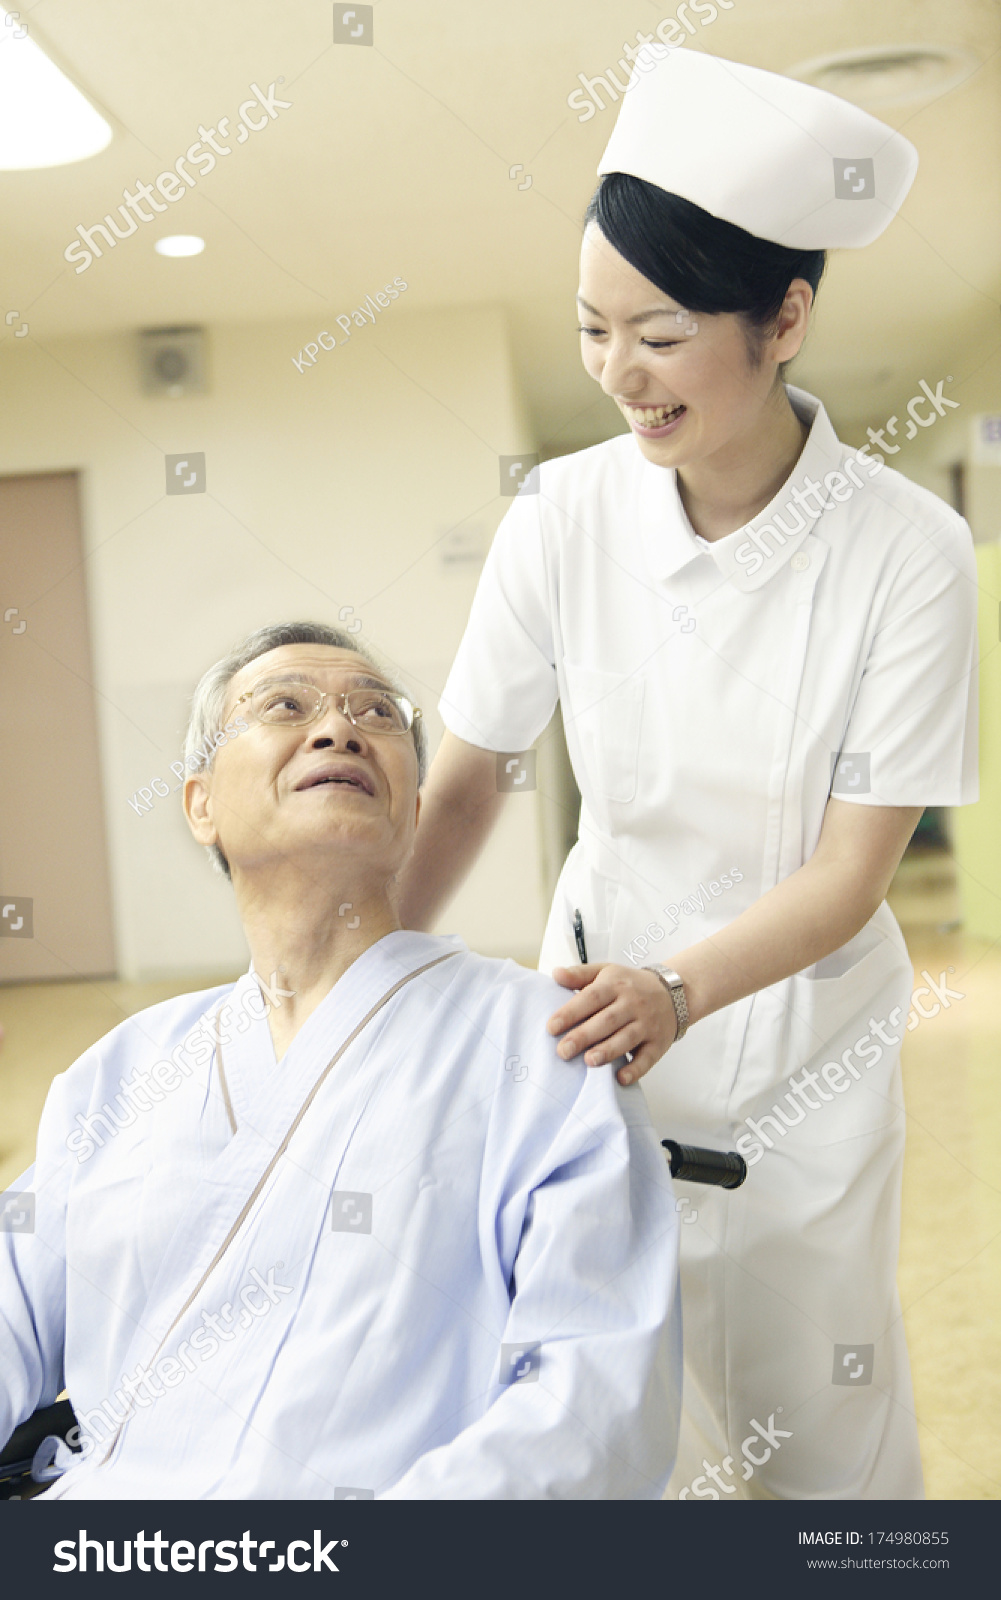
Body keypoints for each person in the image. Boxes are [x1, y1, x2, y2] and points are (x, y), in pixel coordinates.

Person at [397, 52, 979, 1499]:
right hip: (591, 1018)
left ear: (784, 319)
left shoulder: (905, 551)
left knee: (813, 1420)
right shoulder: (562, 519)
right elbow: (471, 777)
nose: (615, 372)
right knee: (603, 1409)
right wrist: (368, 971)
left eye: (658, 334)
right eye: (592, 329)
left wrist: (682, 991)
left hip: (798, 1042)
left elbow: (850, 870)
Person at [0, 622, 681, 1500]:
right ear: (199, 801)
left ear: (413, 807)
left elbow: (594, 1403)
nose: (339, 728)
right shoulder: (121, 1071)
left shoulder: (543, 1043)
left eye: (377, 714)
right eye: (286, 706)